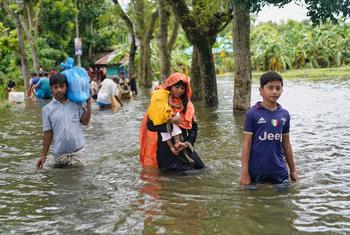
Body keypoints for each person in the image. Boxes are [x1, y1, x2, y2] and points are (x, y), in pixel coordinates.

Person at [239, 71, 298, 185]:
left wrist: (293, 170)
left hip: (279, 171)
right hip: (256, 172)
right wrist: (245, 172)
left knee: (283, 201)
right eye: (270, 88)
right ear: (261, 90)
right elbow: (247, 144)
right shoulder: (252, 113)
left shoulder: (284, 115)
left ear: (282, 90)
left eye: (278, 88)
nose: (274, 92)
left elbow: (286, 144)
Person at [140, 72, 205, 172]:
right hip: (165, 149)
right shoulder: (160, 102)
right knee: (169, 177)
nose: (180, 90)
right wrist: (170, 121)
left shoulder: (188, 105)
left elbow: (194, 128)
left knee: (201, 170)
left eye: (183, 88)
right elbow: (150, 125)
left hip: (183, 145)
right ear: (170, 86)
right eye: (177, 87)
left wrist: (188, 142)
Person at [36, 74, 91, 169]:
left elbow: (85, 122)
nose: (59, 90)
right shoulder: (47, 109)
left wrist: (89, 104)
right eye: (55, 87)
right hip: (59, 155)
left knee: (79, 181)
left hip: (78, 153)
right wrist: (43, 156)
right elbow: (48, 133)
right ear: (51, 89)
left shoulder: (76, 104)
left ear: (67, 87)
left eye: (62, 86)